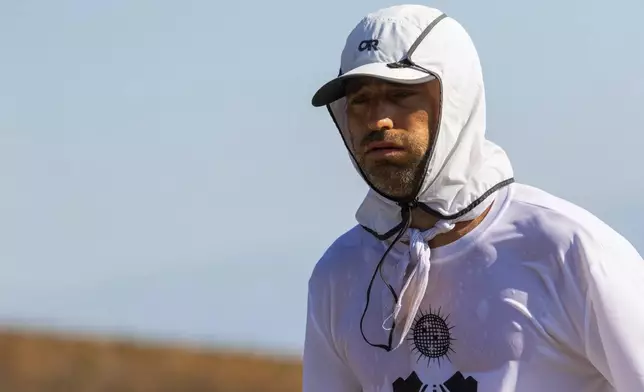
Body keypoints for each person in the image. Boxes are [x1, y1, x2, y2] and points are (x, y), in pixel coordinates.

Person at [302, 4, 644, 392]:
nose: (378, 119)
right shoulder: (339, 275)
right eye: (360, 100)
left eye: (401, 94)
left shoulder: (569, 250)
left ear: (455, 101)